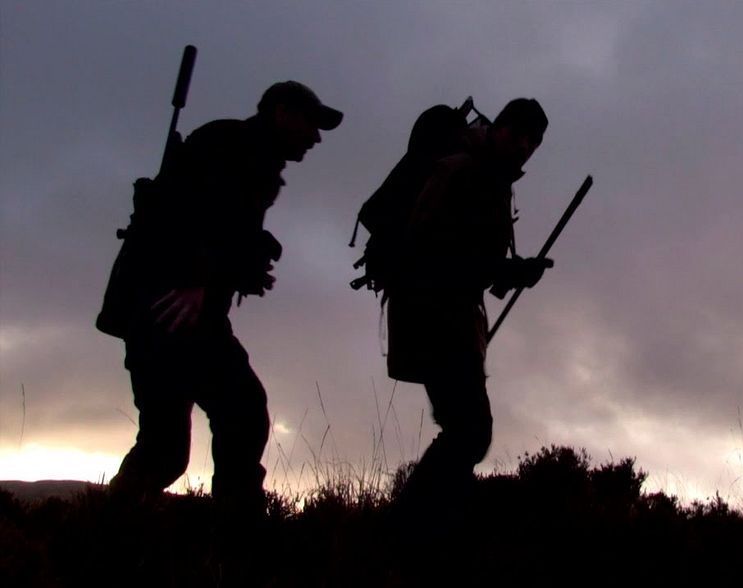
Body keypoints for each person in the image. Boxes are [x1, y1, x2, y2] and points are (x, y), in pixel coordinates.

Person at [103, 81, 342, 523]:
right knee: (189, 438)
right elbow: (182, 213)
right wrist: (197, 278)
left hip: (187, 313)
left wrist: (244, 269)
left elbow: (221, 232)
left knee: (229, 419)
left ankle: (230, 534)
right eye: (311, 123)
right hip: (169, 311)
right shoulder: (229, 145)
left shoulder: (254, 161)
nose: (316, 137)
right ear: (282, 113)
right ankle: (117, 532)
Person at [385, 98, 552, 549]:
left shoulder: (490, 179)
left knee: (466, 432)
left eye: (533, 140)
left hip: (452, 318)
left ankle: (431, 539)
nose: (525, 145)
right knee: (470, 431)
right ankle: (402, 536)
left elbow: (475, 261)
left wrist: (512, 272)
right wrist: (508, 273)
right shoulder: (463, 171)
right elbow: (433, 249)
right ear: (496, 127)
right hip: (435, 315)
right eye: (518, 133)